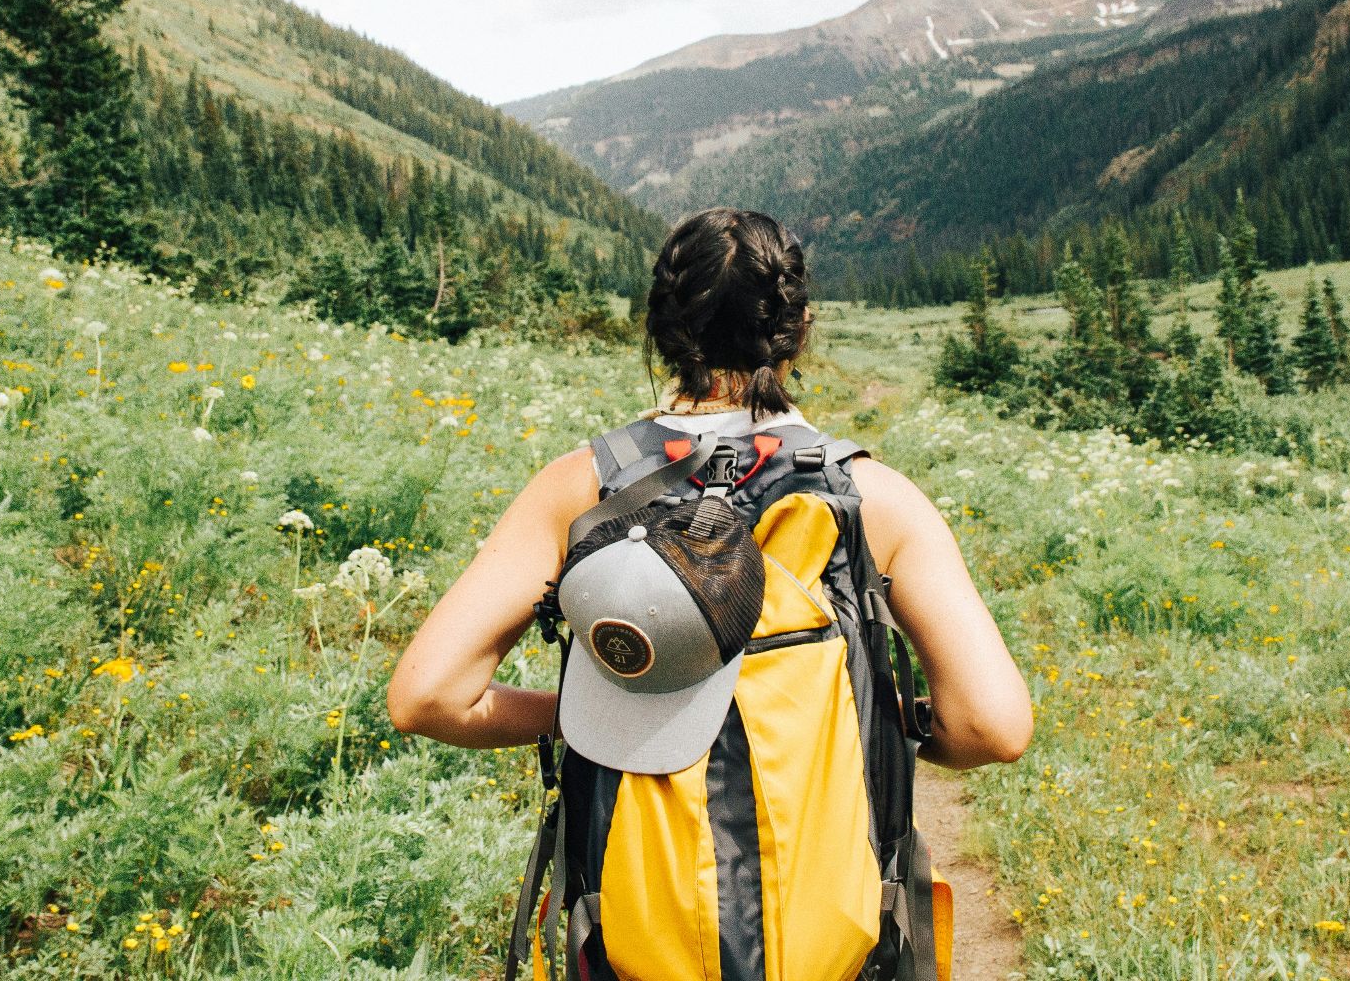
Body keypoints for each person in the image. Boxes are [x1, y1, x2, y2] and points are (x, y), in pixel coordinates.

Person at [386, 207, 1031, 772]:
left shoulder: (581, 485)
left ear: (659, 331)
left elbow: (428, 698)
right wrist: (889, 731)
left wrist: (585, 718)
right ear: (799, 330)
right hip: (830, 906)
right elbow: (991, 727)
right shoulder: (875, 497)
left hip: (633, 903)